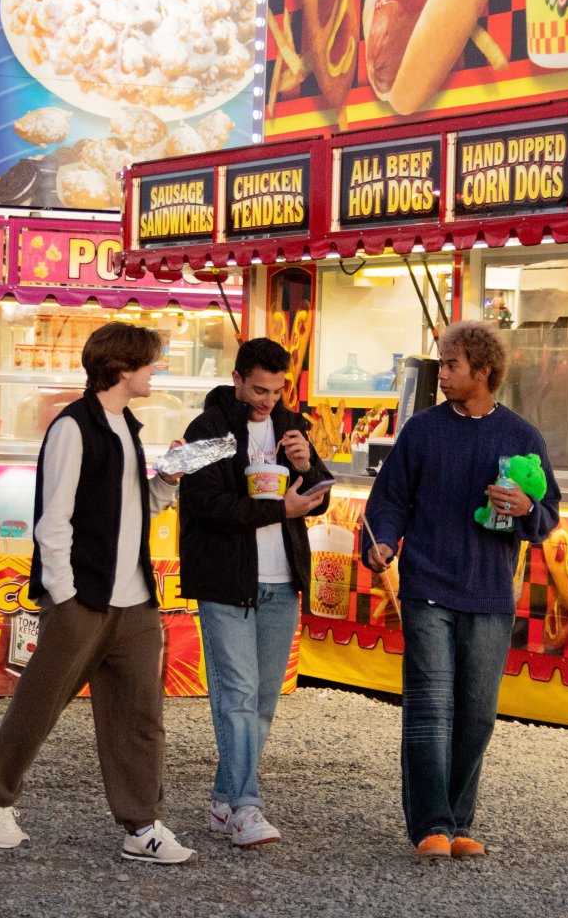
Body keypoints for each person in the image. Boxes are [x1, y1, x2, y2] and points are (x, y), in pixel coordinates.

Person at [0, 321, 195, 865]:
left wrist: (168, 480)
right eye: (150, 362)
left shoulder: (125, 426)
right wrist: (65, 596)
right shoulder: (73, 427)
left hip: (134, 600)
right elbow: (54, 518)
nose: (155, 369)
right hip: (84, 598)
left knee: (140, 716)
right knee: (39, 703)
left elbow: (134, 507)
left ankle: (142, 824)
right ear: (122, 368)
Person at [362, 320, 560, 860]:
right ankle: (431, 824)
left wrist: (527, 511)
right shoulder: (422, 431)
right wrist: (381, 543)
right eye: (442, 364)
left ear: (484, 372)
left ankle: (458, 819)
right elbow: (389, 499)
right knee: (429, 709)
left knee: (477, 713)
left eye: (451, 366)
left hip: (492, 593)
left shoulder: (522, 436)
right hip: (426, 587)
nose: (442, 374)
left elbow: (548, 516)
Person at [178, 337, 330, 847]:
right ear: (238, 378)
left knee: (262, 700)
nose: (268, 401)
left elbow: (318, 499)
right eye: (259, 390)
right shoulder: (208, 430)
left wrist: (308, 466)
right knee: (237, 695)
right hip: (225, 581)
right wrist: (276, 510)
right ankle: (246, 806)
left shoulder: (292, 426)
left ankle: (224, 799)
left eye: (277, 390)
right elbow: (204, 505)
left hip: (282, 581)